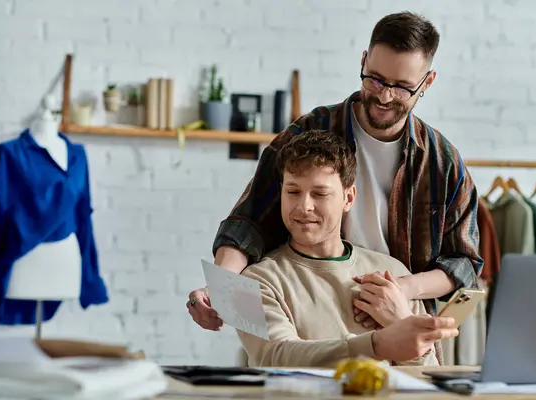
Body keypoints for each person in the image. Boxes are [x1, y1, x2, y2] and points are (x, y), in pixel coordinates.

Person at [188, 11, 482, 340]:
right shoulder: (309, 131)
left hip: (397, 317)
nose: (384, 96)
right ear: (363, 61)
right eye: (375, 79)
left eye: (402, 88)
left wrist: (403, 288)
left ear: (427, 82)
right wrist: (219, 286)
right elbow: (248, 221)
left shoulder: (443, 162)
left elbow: (465, 264)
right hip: (304, 310)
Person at [237, 130, 458, 367]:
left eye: (320, 193)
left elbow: (425, 380)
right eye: (292, 192)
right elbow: (274, 356)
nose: (304, 206)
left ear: (348, 198)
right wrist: (377, 345)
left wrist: (402, 325)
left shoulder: (392, 273)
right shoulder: (254, 281)